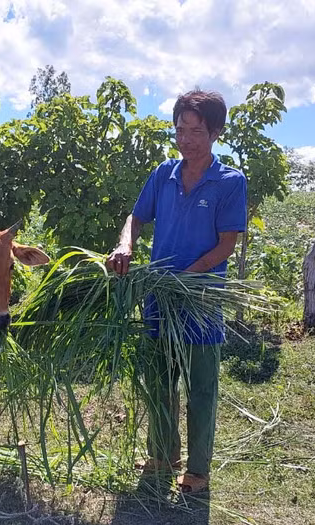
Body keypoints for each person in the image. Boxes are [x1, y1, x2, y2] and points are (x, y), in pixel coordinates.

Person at [106, 89, 247, 493]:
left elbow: (225, 245)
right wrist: (125, 245)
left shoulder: (229, 182)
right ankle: (163, 453)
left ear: (216, 132)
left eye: (196, 131)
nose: (185, 139)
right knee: (159, 379)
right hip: (159, 297)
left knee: (201, 387)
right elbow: (136, 216)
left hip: (200, 300)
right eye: (180, 130)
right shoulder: (163, 174)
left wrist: (187, 276)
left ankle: (198, 469)